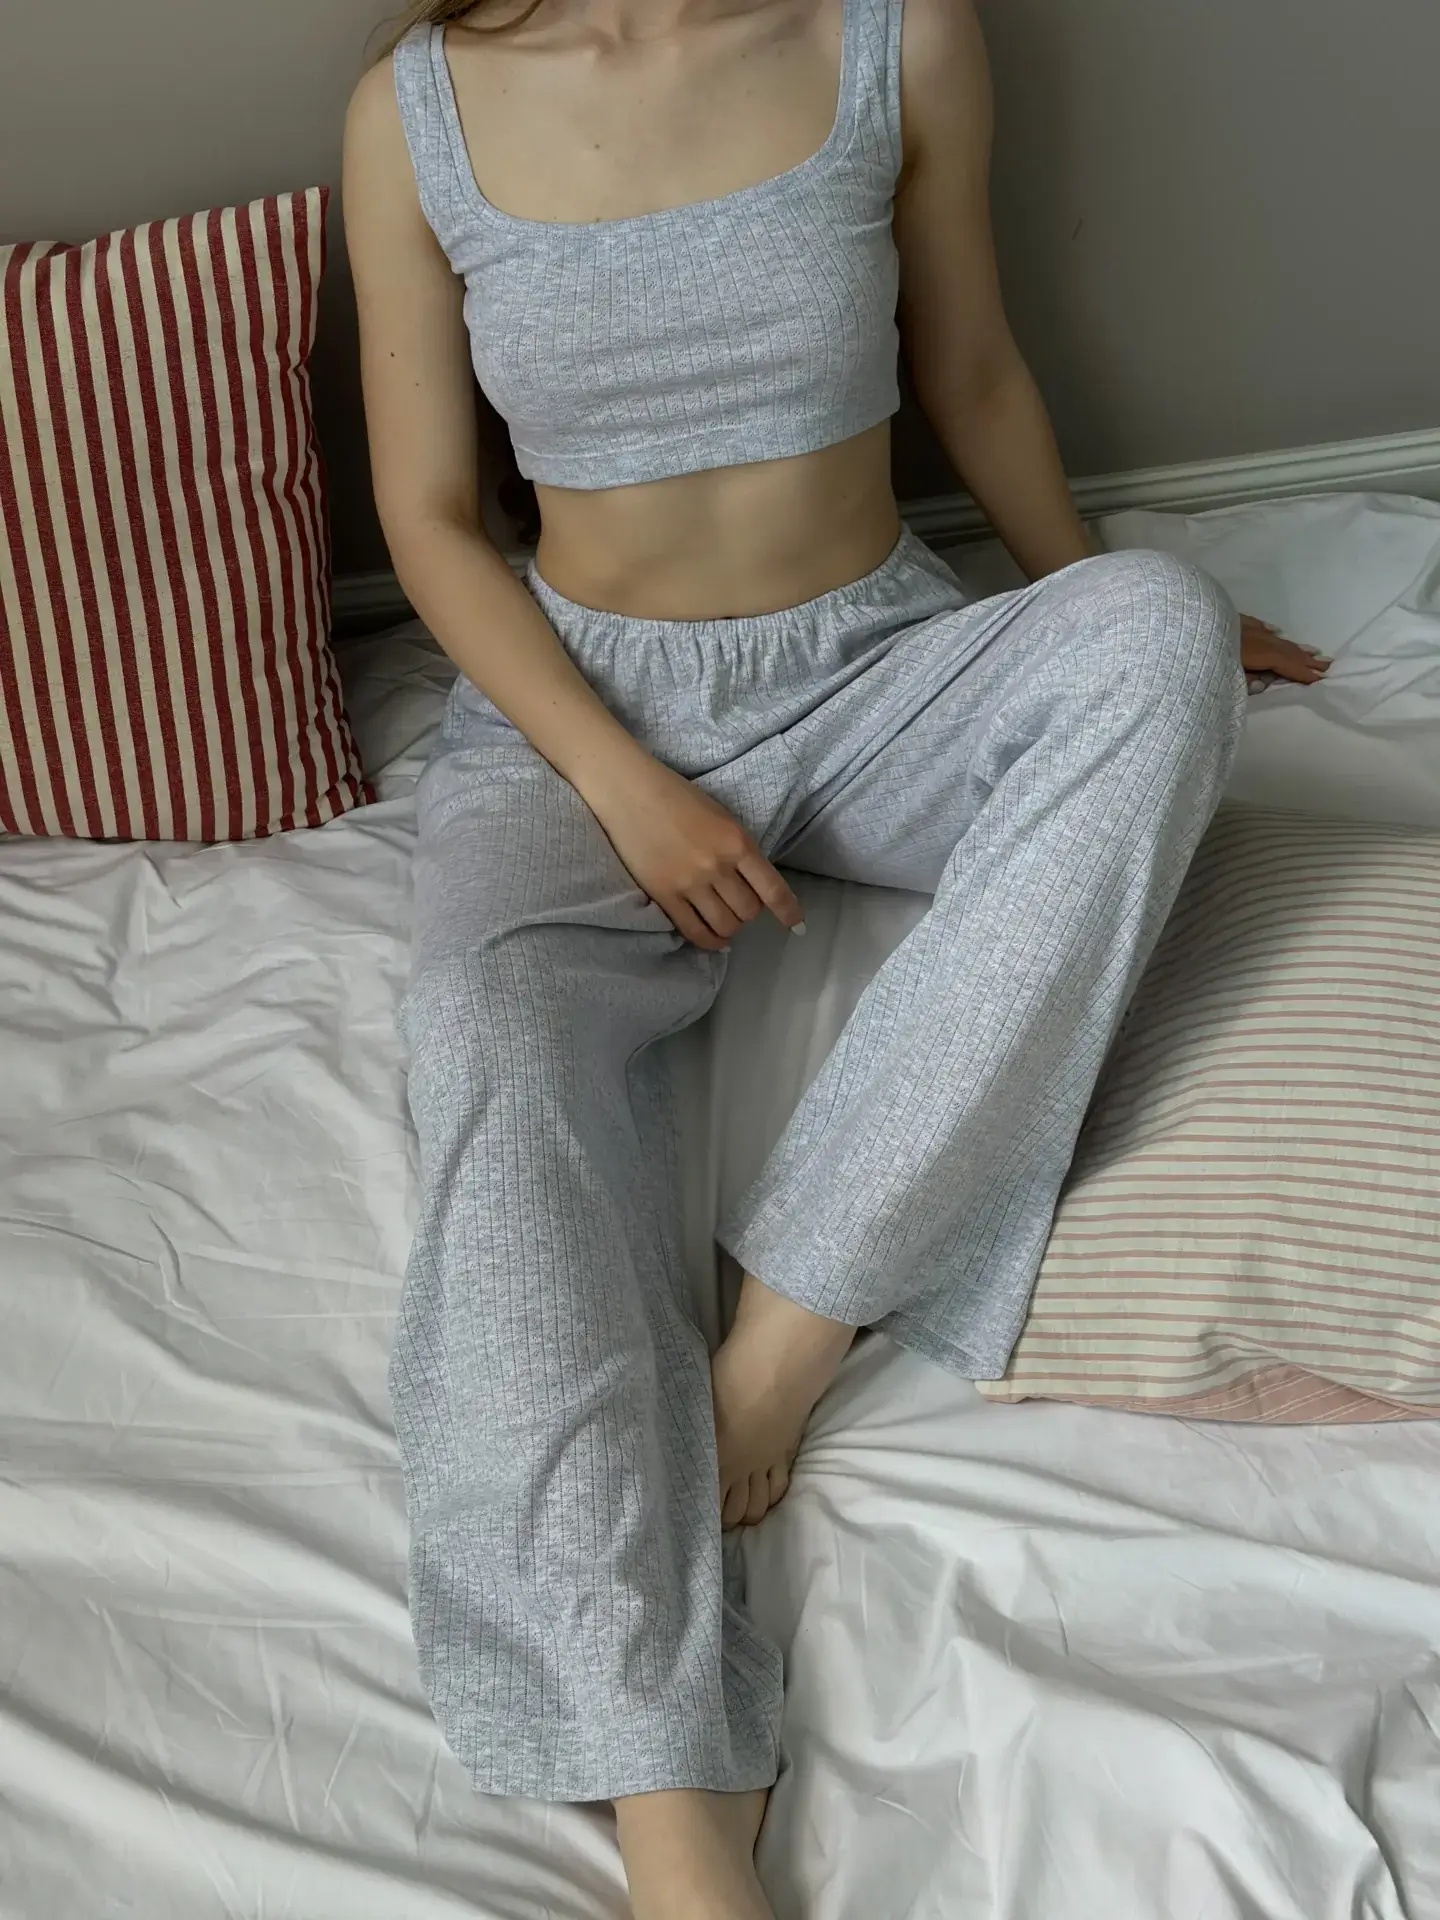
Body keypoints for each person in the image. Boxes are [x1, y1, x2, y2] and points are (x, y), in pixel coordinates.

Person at [342, 0, 1330, 1910]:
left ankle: (791, 1321)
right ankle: (667, 1796)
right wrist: (623, 784)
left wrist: (1121, 625)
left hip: (874, 666)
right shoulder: (415, 111)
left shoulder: (897, 35)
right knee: (487, 1053)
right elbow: (429, 519)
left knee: (1155, 625)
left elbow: (973, 367)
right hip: (579, 729)